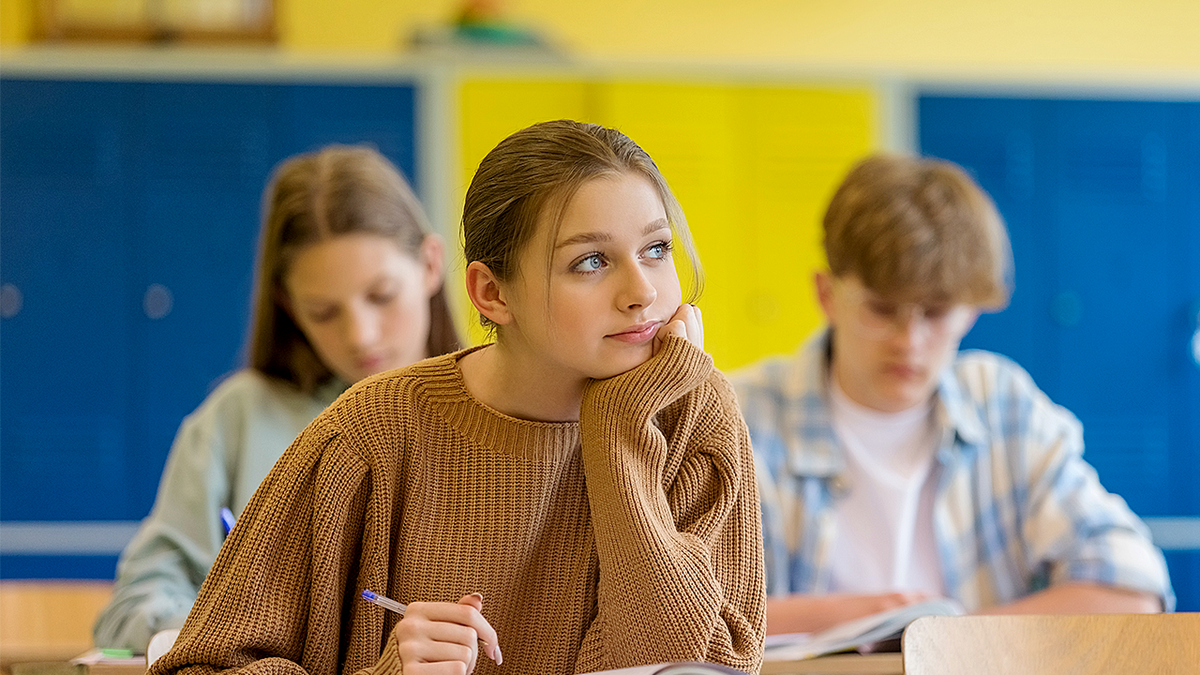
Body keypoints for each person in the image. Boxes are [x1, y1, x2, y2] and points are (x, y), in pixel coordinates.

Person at [145, 120, 766, 675]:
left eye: (656, 250)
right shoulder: (372, 429)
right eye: (590, 262)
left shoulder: (696, 417)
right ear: (492, 293)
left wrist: (623, 432)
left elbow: (700, 664)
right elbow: (202, 665)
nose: (642, 292)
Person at [732, 153, 1173, 636]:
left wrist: (944, 640)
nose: (909, 341)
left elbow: (1134, 588)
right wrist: (857, 622)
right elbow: (673, 619)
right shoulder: (736, 417)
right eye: (882, 310)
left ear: (971, 312)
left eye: (937, 313)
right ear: (826, 295)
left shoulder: (1004, 407)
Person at [94, 145, 462, 651]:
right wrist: (229, 634)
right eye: (323, 311)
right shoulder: (239, 418)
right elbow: (132, 608)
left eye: (381, 296)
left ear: (429, 264)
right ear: (289, 306)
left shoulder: (505, 409)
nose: (360, 336)